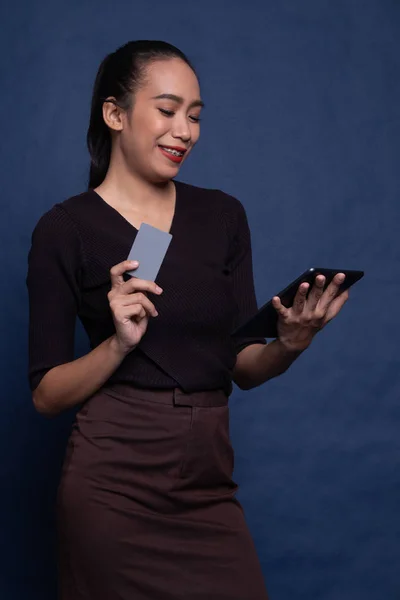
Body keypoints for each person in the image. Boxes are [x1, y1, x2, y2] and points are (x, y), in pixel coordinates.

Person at [26, 40, 349, 600]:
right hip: (114, 480)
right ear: (115, 114)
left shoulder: (222, 216)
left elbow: (241, 366)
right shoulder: (66, 229)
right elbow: (47, 396)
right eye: (168, 110)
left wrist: (290, 343)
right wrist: (117, 345)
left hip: (208, 479)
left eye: (195, 116)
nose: (185, 131)